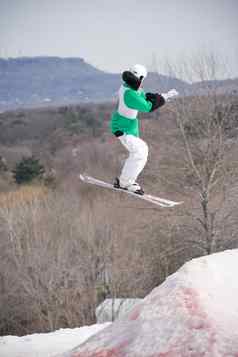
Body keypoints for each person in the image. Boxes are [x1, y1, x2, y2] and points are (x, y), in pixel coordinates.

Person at [109, 64, 178, 195]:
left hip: (128, 127)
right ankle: (125, 182)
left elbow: (144, 95)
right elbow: (147, 107)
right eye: (142, 79)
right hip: (122, 128)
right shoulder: (129, 93)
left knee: (140, 152)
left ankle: (125, 181)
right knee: (140, 152)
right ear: (140, 77)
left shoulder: (129, 87)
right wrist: (162, 99)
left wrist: (163, 96)